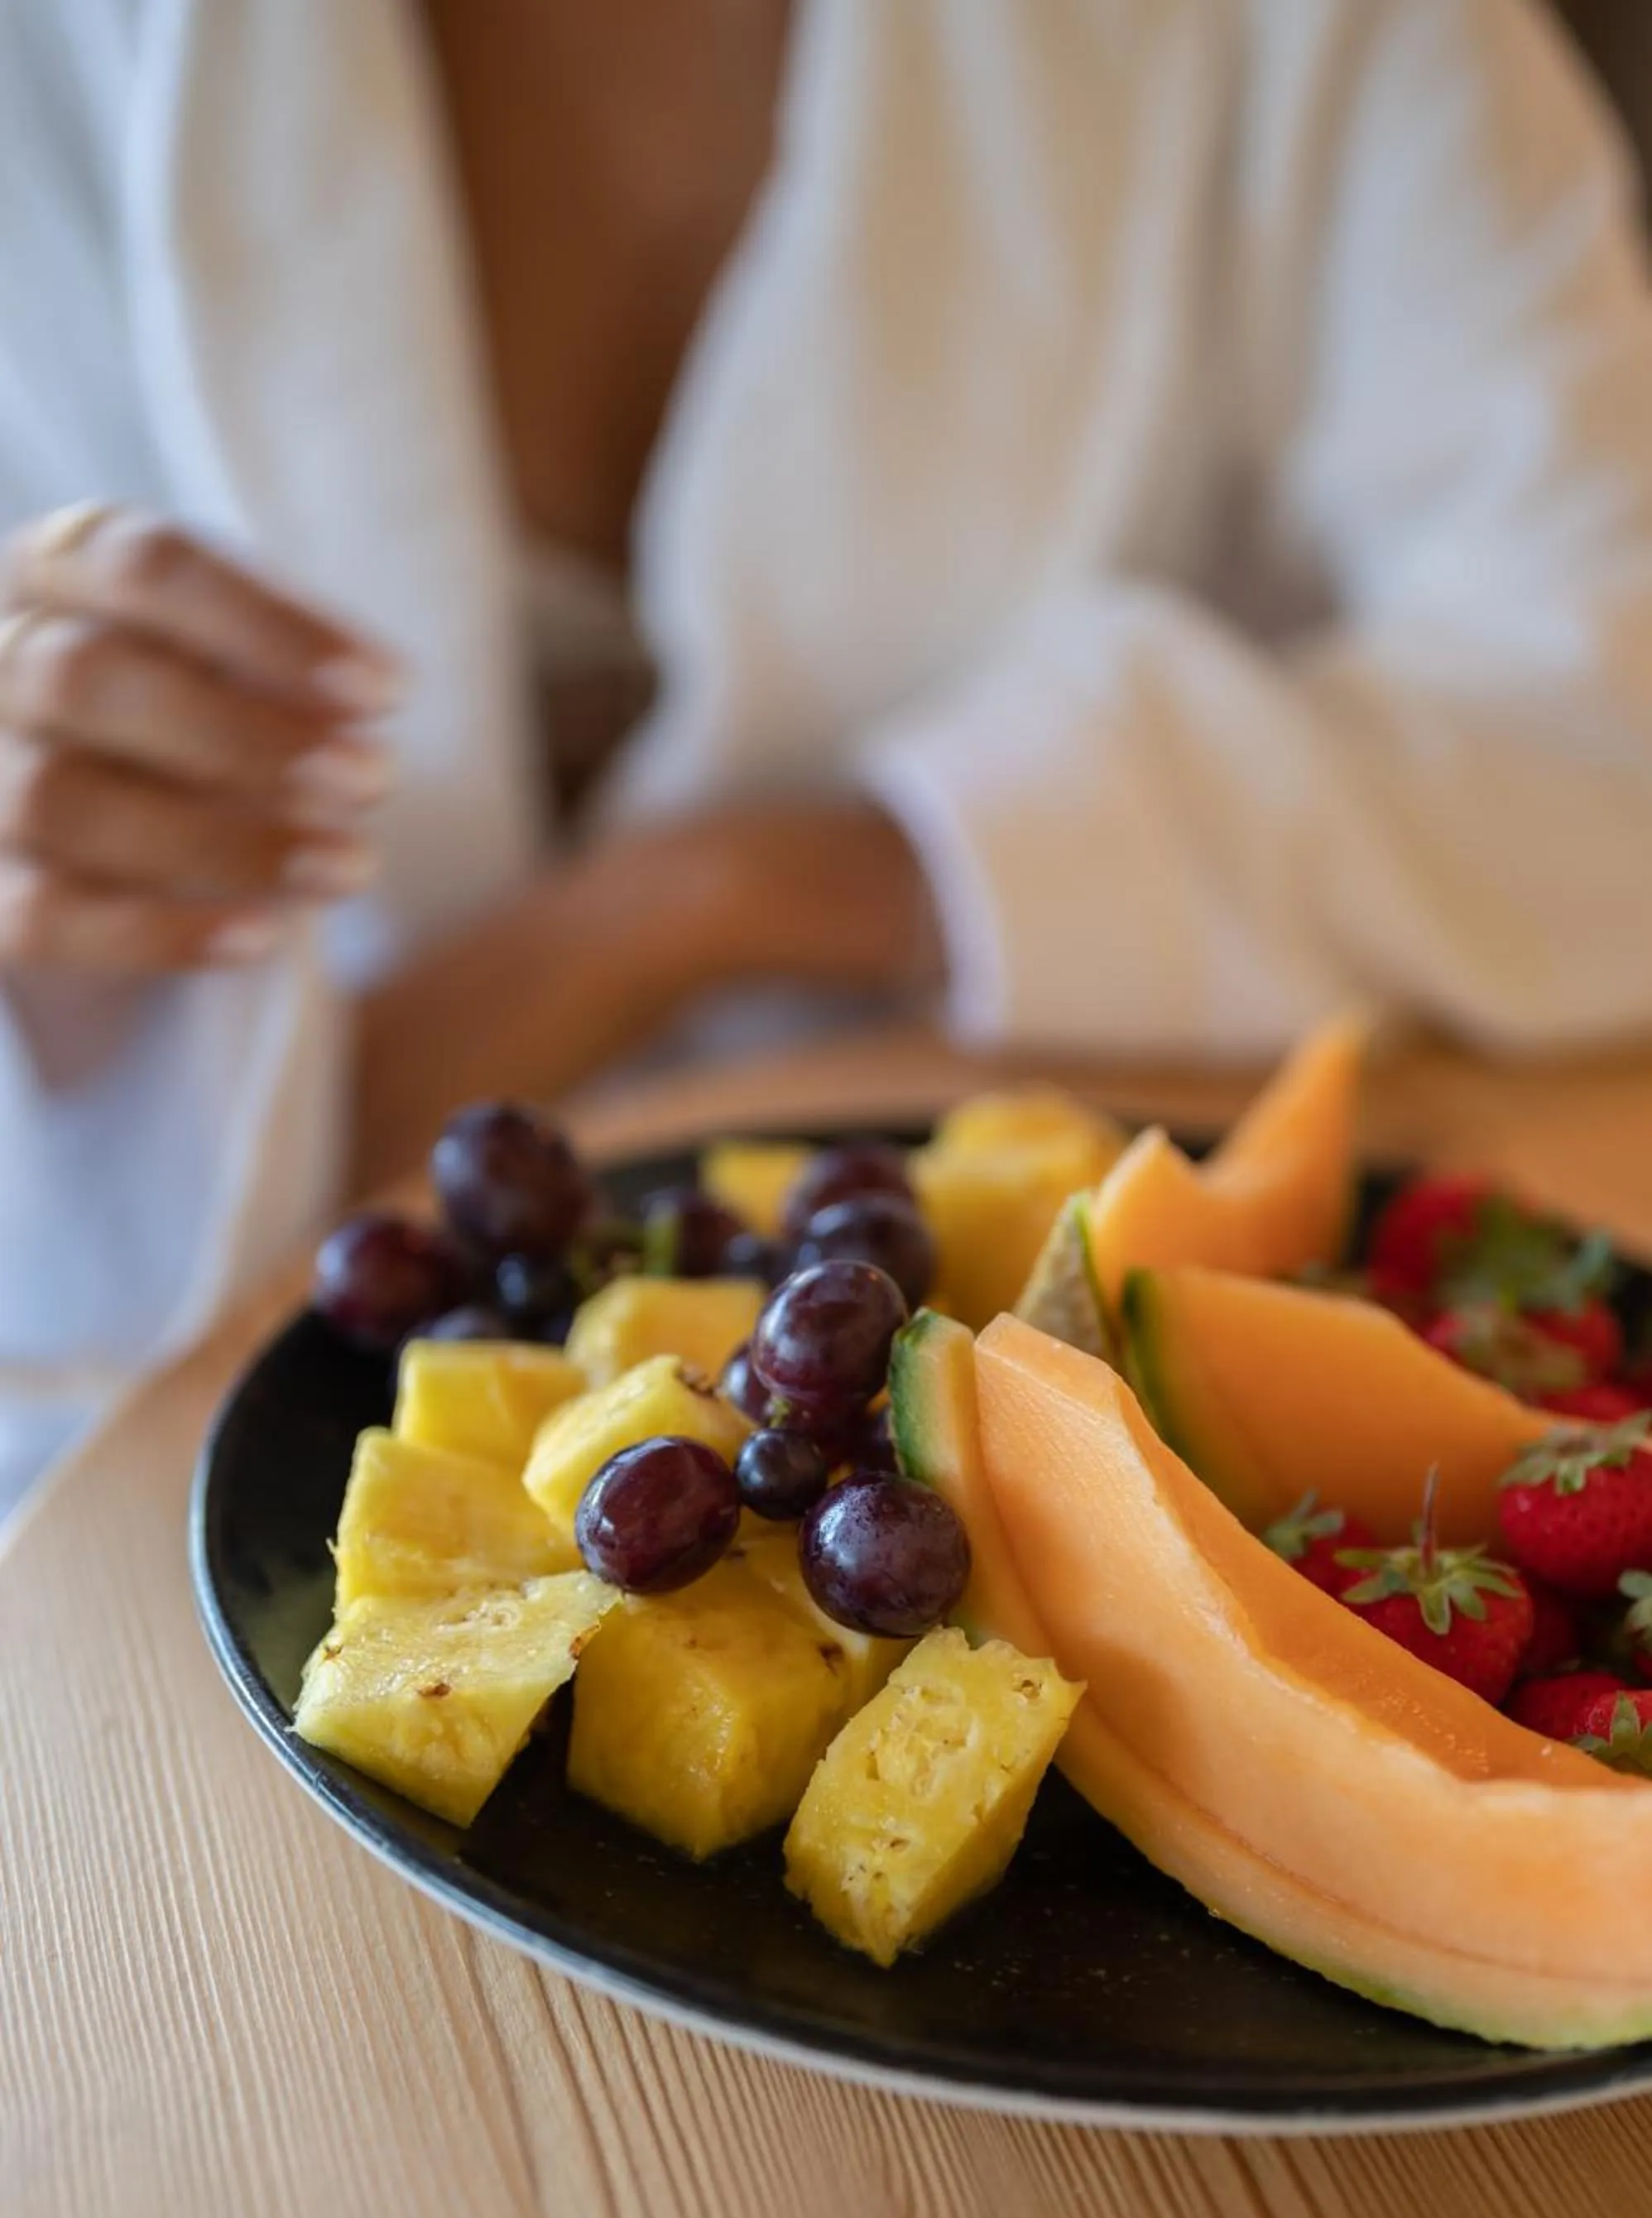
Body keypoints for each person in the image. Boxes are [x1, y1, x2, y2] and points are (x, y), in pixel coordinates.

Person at [3, 0, 1652, 1517]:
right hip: (174, 1457)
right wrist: (68, 932)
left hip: (1097, 1340)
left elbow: (1601, 722)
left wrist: (710, 899)